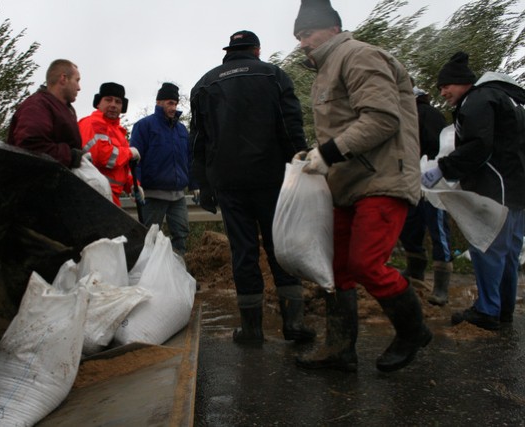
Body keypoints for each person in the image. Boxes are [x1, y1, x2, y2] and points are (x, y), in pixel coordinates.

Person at [292, 0, 431, 373]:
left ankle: (412, 330)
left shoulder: (359, 56)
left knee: (366, 263)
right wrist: (317, 154)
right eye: (298, 36)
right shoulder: (325, 70)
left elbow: (383, 119)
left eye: (307, 33)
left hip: (382, 178)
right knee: (337, 269)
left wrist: (331, 151)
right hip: (347, 183)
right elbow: (342, 126)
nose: (302, 42)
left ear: (333, 30)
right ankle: (339, 349)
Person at [190, 30, 315, 346]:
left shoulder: (204, 84)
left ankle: (252, 330)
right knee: (281, 247)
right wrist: (300, 164)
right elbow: (291, 125)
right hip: (272, 179)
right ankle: (294, 325)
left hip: (229, 183)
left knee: (243, 251)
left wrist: (204, 185)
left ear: (228, 52)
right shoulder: (273, 74)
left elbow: (198, 141)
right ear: (257, 50)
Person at [421, 51, 525, 330]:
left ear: (462, 82)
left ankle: (487, 310)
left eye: (446, 86)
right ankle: (502, 311)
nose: (443, 92)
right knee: (508, 253)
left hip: (494, 190)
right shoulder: (508, 99)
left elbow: (478, 145)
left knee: (486, 245)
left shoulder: (478, 100)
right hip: (516, 189)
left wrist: (444, 167)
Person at [399, 85, 454, 306]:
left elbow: (438, 147)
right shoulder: (406, 116)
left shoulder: (428, 114)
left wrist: (433, 168)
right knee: (409, 224)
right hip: (412, 179)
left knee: (438, 228)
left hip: (433, 179)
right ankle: (415, 273)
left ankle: (441, 285)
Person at [130, 83, 195, 257]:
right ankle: (148, 276)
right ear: (158, 102)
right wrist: (136, 184)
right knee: (149, 238)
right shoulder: (144, 126)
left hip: (178, 195)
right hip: (152, 195)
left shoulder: (181, 130)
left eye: (175, 103)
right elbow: (135, 158)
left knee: (181, 234)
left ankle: (178, 274)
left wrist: (195, 184)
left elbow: (189, 159)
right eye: (169, 103)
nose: (173, 107)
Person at [7, 59, 83, 168]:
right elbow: (30, 146)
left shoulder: (64, 109)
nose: (79, 88)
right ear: (63, 79)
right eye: (77, 80)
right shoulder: (37, 105)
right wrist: (71, 156)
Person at [78, 82, 141, 206]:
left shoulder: (117, 131)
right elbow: (104, 157)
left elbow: (123, 167)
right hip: (94, 194)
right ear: (98, 103)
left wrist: (133, 185)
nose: (113, 105)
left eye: (118, 102)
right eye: (108, 100)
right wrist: (129, 152)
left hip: (108, 196)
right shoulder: (93, 123)